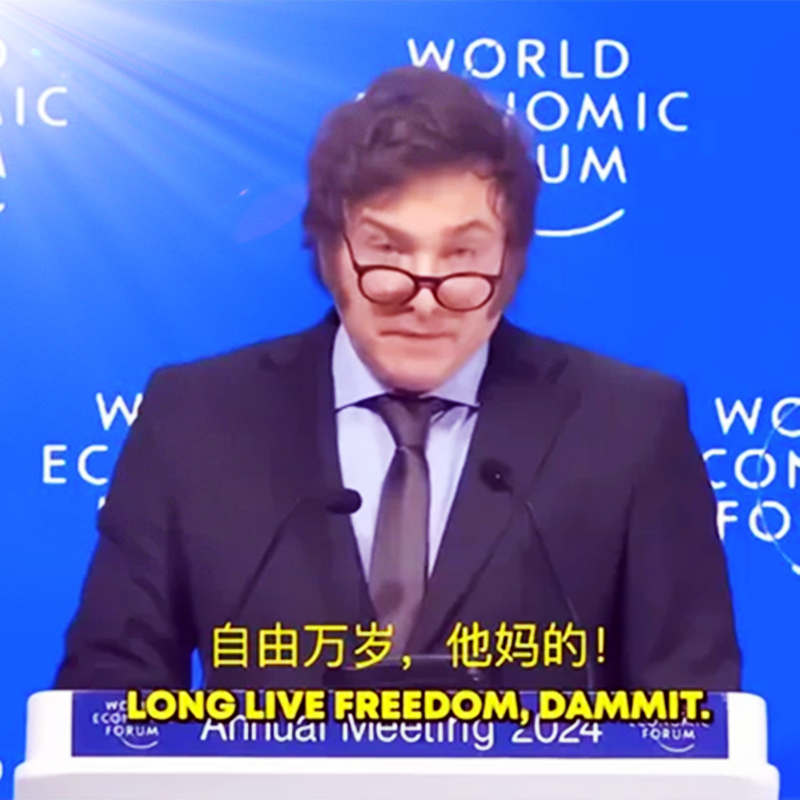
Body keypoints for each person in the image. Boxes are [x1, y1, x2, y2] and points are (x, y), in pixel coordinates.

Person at [54, 65, 740, 691]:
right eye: (387, 250)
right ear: (329, 253)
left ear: (514, 262)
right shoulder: (194, 420)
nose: (424, 295)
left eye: (463, 254)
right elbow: (106, 700)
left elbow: (693, 715)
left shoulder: (628, 427)